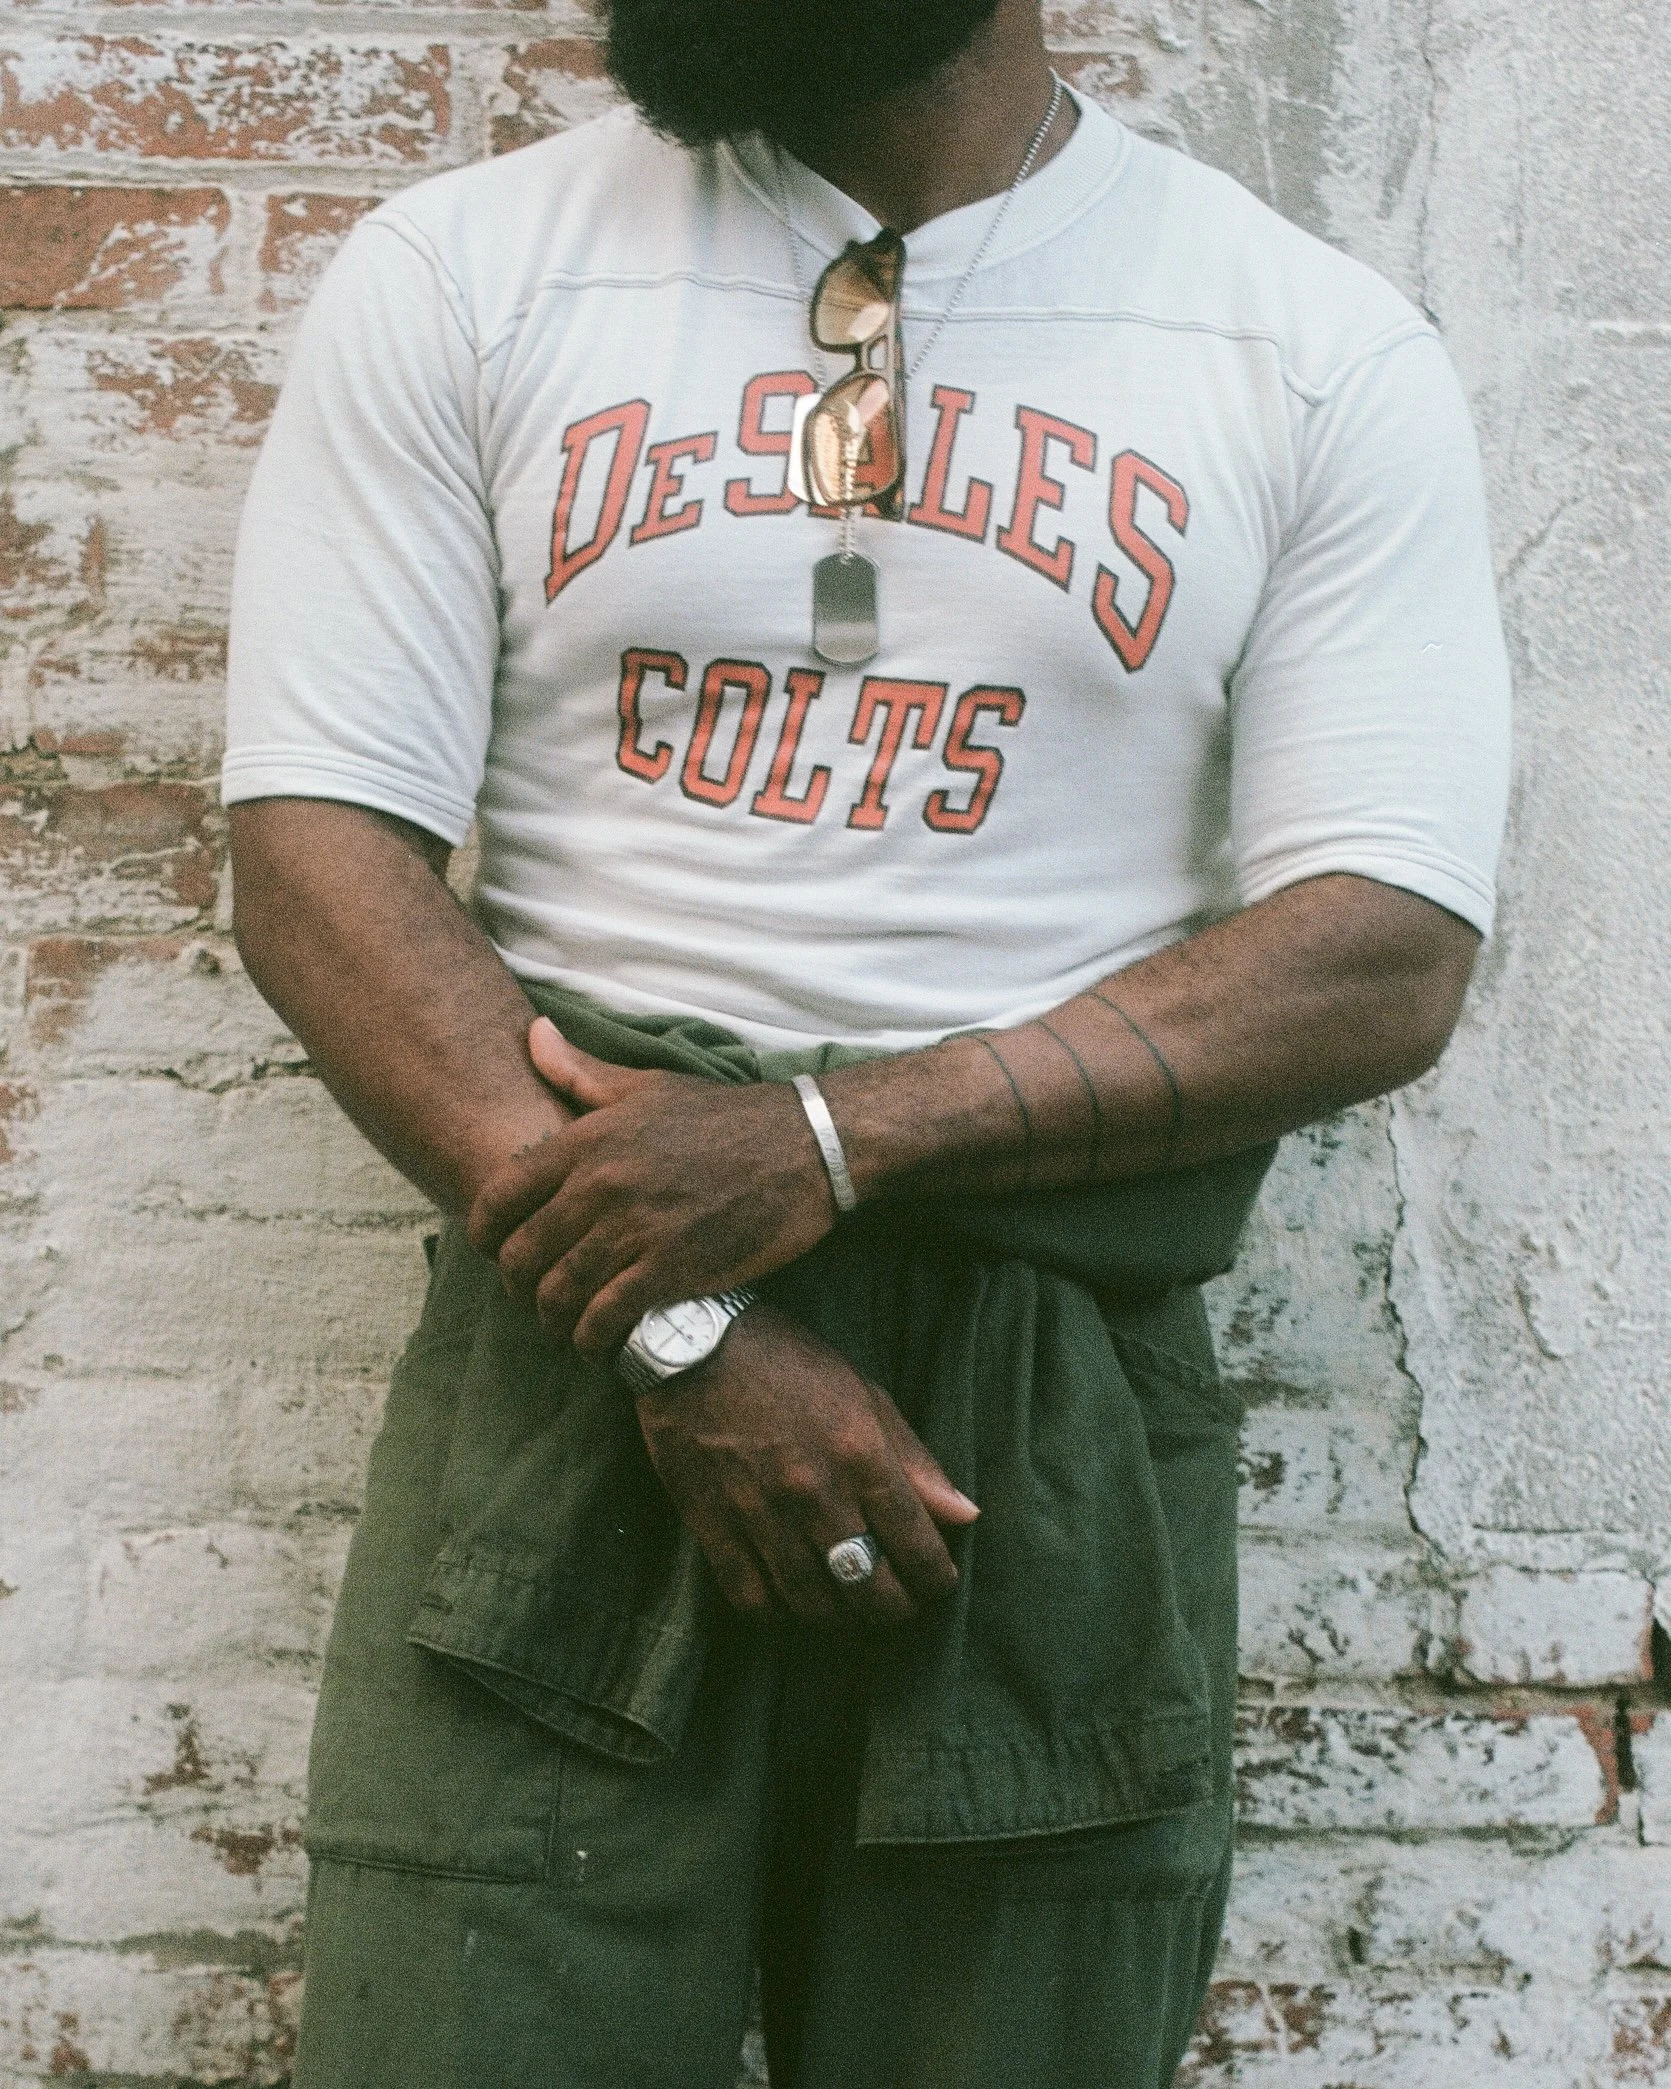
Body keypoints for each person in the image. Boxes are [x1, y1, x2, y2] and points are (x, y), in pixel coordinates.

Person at [221, 0, 1511, 2081]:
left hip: (1042, 1387)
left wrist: (826, 1145)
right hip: (576, 1335)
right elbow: (312, 857)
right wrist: (680, 1325)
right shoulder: (468, 271)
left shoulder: (1297, 341)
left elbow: (1376, 949)